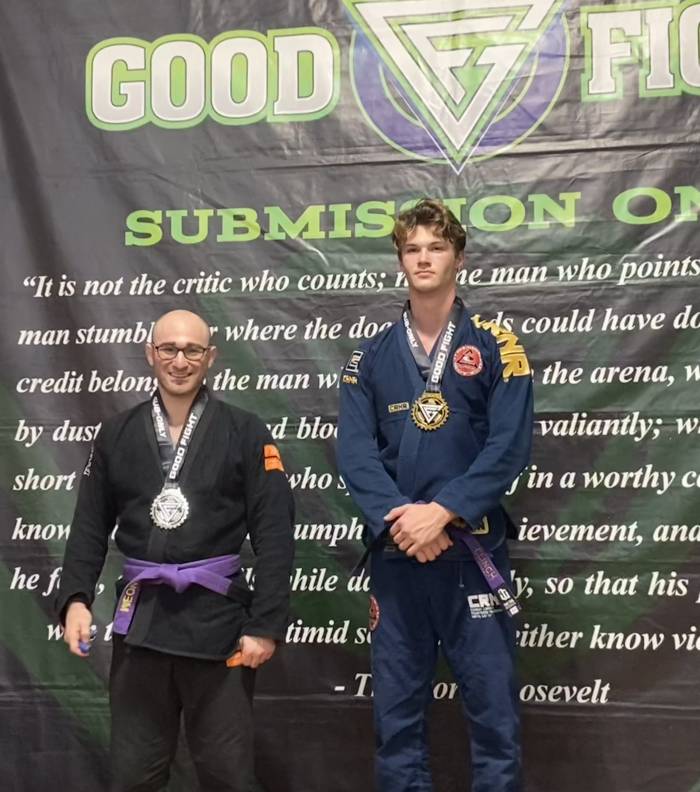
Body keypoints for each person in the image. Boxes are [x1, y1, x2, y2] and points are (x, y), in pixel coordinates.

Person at [337, 199, 533, 792]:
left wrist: (443, 513)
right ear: (400, 260)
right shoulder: (368, 357)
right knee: (396, 723)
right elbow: (355, 454)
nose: (424, 258)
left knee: (495, 720)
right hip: (398, 558)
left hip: (471, 554)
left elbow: (509, 447)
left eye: (437, 247)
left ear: (459, 258)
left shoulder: (498, 345)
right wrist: (405, 525)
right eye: (412, 249)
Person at [57, 309, 294, 792]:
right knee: (132, 777)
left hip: (219, 629)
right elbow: (88, 527)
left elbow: (275, 534)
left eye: (192, 350)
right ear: (150, 354)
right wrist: (76, 598)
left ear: (211, 357)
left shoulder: (245, 431)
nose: (180, 361)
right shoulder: (116, 434)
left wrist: (265, 625)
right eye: (169, 349)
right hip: (142, 627)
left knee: (228, 776)